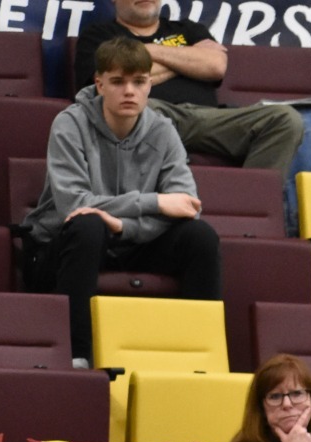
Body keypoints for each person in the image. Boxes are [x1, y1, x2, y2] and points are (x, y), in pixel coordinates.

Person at [22, 39, 222, 368]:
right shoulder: (69, 124)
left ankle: (199, 354)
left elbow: (187, 205)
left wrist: (125, 224)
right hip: (67, 247)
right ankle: (77, 356)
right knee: (88, 224)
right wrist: (154, 202)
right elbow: (75, 204)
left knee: (200, 236)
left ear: (150, 84)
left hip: (132, 241)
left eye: (138, 82)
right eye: (118, 82)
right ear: (99, 83)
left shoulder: (163, 130)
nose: (129, 91)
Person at [73, 0, 302, 176]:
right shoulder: (99, 36)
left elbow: (215, 65)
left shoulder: (188, 29)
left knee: (285, 119)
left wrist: (147, 51)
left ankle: (246, 206)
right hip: (151, 113)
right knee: (134, 109)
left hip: (210, 118)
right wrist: (189, 62)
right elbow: (111, 83)